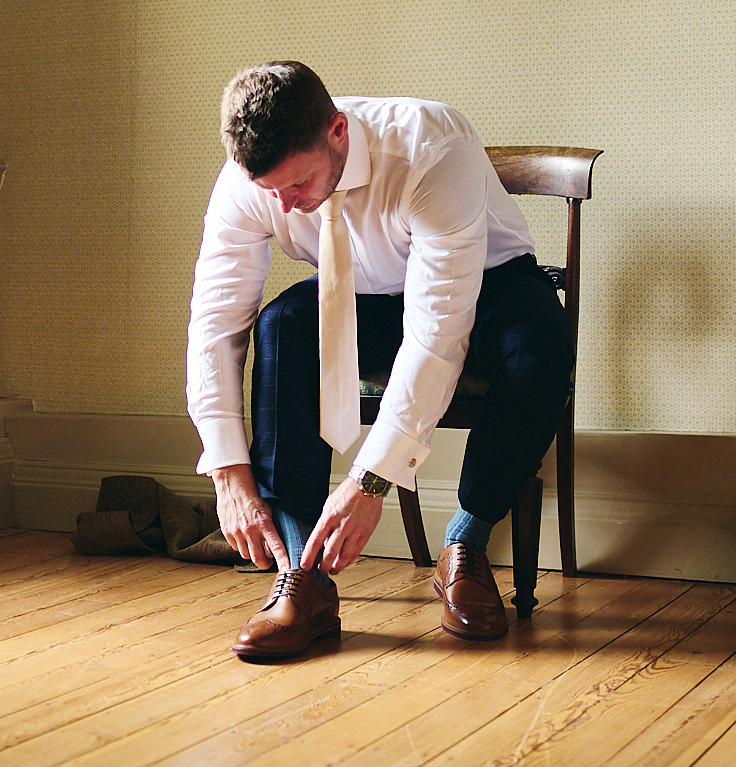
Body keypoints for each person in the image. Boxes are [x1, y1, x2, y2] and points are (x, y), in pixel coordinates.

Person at [187, 61, 573, 661]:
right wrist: (228, 473)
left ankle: (465, 546)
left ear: (338, 131)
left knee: (540, 345)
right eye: (270, 192)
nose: (287, 207)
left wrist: (371, 479)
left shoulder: (432, 146)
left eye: (298, 184)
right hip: (363, 295)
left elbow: (437, 331)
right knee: (283, 324)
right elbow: (215, 322)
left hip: (489, 283)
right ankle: (301, 574)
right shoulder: (249, 181)